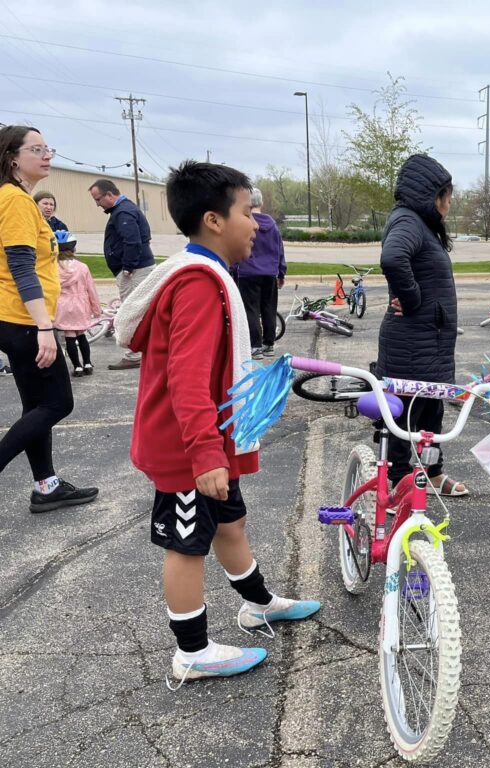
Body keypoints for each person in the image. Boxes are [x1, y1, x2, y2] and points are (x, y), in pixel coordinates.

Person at [113, 160, 319, 686]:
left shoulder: (208, 273)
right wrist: (206, 454)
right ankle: (192, 652)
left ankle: (257, 605)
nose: (258, 223)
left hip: (210, 444)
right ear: (213, 220)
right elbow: (186, 380)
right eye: (249, 212)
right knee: (187, 545)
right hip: (188, 451)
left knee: (231, 523)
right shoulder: (200, 285)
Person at [0, 125, 98, 512]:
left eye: (48, 147)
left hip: (15, 317)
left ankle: (47, 486)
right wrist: (44, 326)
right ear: (12, 158)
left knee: (35, 406)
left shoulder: (13, 198)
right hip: (24, 320)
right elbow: (22, 266)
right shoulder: (16, 202)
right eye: (36, 149)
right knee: (58, 402)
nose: (47, 155)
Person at [377, 153, 468, 496]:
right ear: (430, 194)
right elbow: (392, 258)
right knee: (404, 416)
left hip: (429, 343)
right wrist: (412, 300)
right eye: (446, 194)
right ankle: (401, 480)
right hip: (411, 344)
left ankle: (432, 472)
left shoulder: (420, 223)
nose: (449, 201)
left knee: (431, 410)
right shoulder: (408, 221)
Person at [88, 178, 155, 370]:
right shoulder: (124, 210)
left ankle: (134, 354)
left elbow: (132, 241)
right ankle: (143, 351)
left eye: (98, 199)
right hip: (137, 268)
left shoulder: (123, 211)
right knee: (140, 310)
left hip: (135, 271)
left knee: (132, 312)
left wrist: (128, 267)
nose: (97, 204)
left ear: (109, 195)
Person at [231, 187, 285, 359]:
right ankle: (269, 343)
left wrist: (232, 269)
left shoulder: (246, 223)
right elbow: (279, 250)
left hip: (248, 273)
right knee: (269, 308)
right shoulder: (273, 226)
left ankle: (255, 346)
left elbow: (238, 247)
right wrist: (281, 272)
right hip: (269, 273)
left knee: (251, 309)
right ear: (261, 202)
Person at [53, 232, 101, 377]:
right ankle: (87, 363)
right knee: (81, 334)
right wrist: (96, 308)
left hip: (63, 305)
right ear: (73, 249)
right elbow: (90, 288)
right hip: (80, 304)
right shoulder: (82, 267)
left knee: (69, 337)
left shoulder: (52, 268)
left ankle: (77, 367)